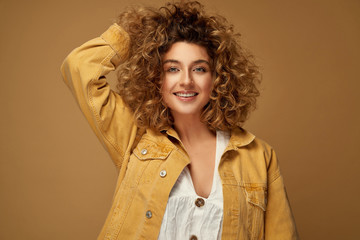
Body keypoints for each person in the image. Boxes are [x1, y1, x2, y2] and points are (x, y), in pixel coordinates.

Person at [61, 1, 298, 239]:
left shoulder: (259, 157)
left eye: (199, 69)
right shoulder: (135, 137)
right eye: (173, 69)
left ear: (218, 78)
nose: (186, 81)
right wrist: (133, 29)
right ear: (156, 77)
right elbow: (80, 67)